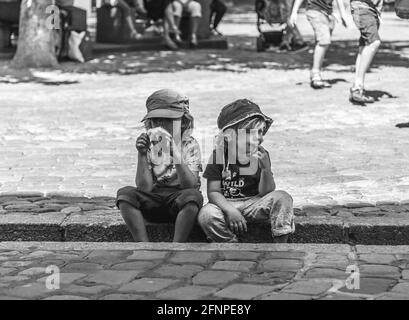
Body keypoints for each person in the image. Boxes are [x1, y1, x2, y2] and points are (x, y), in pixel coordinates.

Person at [198, 99, 295, 243]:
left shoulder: (262, 155)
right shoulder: (219, 155)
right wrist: (230, 211)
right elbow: (213, 192)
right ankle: (230, 243)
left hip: (254, 203)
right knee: (206, 214)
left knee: (283, 197)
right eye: (253, 132)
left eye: (261, 132)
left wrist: (266, 169)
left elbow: (266, 192)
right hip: (226, 204)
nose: (260, 138)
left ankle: (281, 242)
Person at [116, 89, 204, 242]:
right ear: (149, 124)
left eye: (168, 120)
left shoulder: (190, 144)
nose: (161, 126)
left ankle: (177, 246)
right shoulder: (149, 144)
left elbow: (190, 185)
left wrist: (175, 154)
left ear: (183, 122)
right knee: (125, 194)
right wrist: (142, 154)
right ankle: (143, 245)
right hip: (154, 200)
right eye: (156, 121)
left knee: (194, 197)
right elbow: (144, 188)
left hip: (179, 202)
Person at [289, 0, 348, 89]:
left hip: (328, 13)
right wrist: (294, 12)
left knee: (323, 41)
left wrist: (342, 14)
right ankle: (316, 75)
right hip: (314, 10)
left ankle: (316, 73)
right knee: (324, 40)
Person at [349, 0, 383, 103]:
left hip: (370, 10)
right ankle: (358, 86)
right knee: (374, 43)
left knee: (364, 47)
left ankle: (357, 88)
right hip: (363, 8)